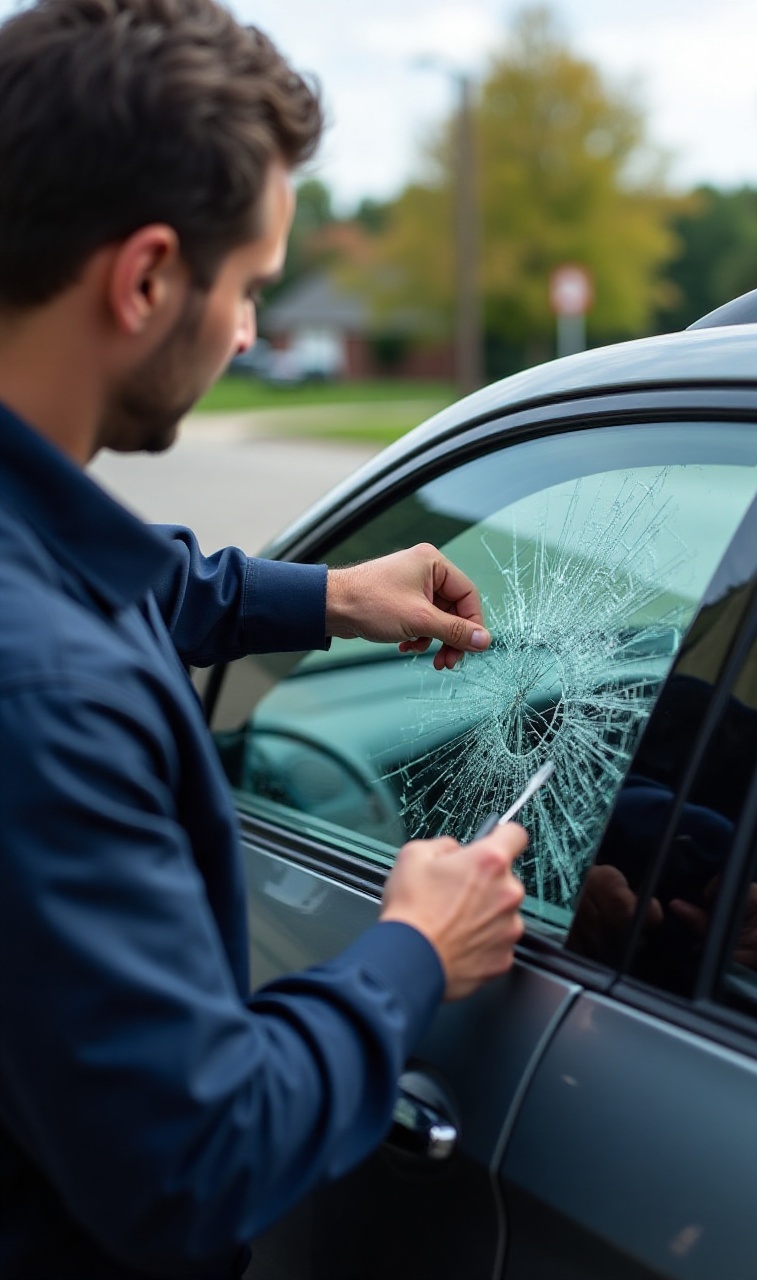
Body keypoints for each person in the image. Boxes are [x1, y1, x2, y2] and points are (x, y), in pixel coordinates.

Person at [0, 1, 528, 1276]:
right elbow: (192, 1162)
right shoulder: (50, 696)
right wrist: (413, 953)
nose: (246, 334)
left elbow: (109, 578)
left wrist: (331, 594)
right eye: (246, 289)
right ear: (145, 277)